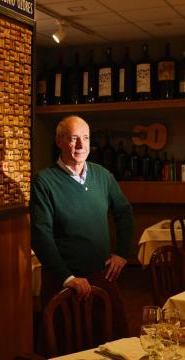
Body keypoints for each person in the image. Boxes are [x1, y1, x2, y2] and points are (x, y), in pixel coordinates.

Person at [30, 115, 133, 338]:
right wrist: (67, 277)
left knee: (115, 340)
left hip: (101, 275)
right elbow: (40, 236)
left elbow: (124, 212)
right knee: (67, 344)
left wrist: (122, 254)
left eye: (85, 138)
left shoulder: (102, 175)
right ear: (59, 141)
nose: (80, 145)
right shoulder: (44, 182)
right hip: (64, 280)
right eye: (73, 138)